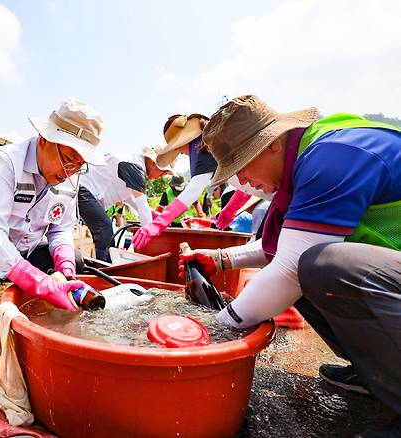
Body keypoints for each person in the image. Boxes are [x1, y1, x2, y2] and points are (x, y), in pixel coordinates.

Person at [180, 95, 401, 436]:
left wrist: (216, 331)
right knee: (304, 270)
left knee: (316, 267)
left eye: (242, 164)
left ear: (271, 144)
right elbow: (287, 246)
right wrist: (222, 259)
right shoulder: (308, 159)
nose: (242, 180)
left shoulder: (334, 156)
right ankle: (378, 371)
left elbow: (289, 267)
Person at [0, 98, 105, 358]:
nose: (70, 171)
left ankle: (46, 314)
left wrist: (66, 270)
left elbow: (60, 229)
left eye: (79, 165)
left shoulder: (69, 181)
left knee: (77, 260)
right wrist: (39, 282)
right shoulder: (4, 163)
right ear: (44, 140)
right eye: (68, 158)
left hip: (16, 254)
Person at [132, 113, 217, 251]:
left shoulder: (199, 144)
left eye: (176, 147)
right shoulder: (208, 139)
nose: (181, 153)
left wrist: (159, 223)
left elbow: (193, 191)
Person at [78, 146, 173, 261]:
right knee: (104, 227)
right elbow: (142, 205)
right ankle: (106, 269)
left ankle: (105, 264)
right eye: (163, 173)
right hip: (83, 188)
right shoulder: (134, 167)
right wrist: (150, 236)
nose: (160, 177)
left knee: (103, 229)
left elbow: (129, 197)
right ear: (154, 163)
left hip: (90, 193)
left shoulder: (136, 167)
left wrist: (151, 213)